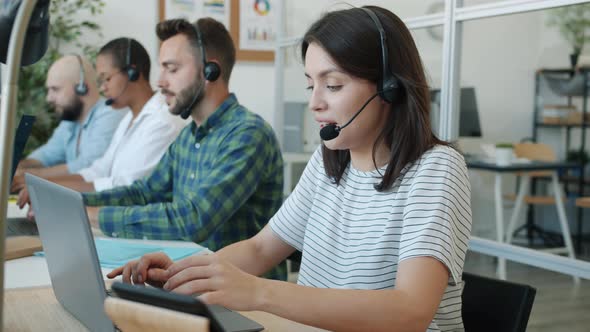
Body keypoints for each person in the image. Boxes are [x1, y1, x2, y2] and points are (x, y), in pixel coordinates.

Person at [108, 6, 472, 332]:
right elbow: (261, 249)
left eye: (332, 85)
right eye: (311, 85)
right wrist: (181, 272)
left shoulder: (435, 169)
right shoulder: (330, 161)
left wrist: (259, 291)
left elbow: (410, 312)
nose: (314, 103)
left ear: (390, 88)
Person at [84, 18, 286, 279]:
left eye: (172, 69)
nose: (160, 81)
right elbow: (146, 193)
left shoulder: (247, 134)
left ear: (210, 71)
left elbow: (194, 219)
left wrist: (96, 216)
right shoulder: (189, 136)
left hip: (242, 299)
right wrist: (77, 203)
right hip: (193, 280)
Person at [14, 38, 187, 203]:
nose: (102, 87)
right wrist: (43, 184)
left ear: (132, 73)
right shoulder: (128, 119)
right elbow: (99, 170)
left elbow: (126, 187)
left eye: (107, 78)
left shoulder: (162, 122)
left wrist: (50, 187)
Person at [11, 55, 125, 192]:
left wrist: (29, 176)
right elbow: (46, 155)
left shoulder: (109, 113)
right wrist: (15, 168)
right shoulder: (70, 122)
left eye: (55, 89)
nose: (49, 98)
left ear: (82, 88)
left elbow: (88, 166)